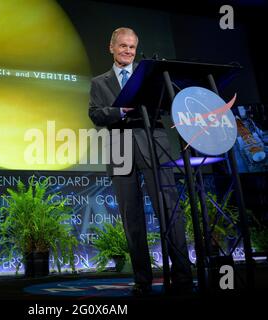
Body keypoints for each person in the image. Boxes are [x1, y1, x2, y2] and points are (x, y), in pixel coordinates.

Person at [88, 27, 193, 295]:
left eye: (132, 47)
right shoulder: (99, 82)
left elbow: (169, 104)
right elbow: (96, 115)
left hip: (154, 147)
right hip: (120, 152)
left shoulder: (150, 76)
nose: (128, 51)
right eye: (123, 46)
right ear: (111, 47)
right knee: (132, 220)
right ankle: (142, 280)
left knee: (170, 212)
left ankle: (182, 276)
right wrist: (119, 111)